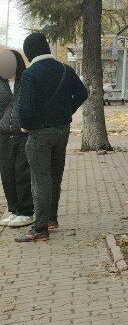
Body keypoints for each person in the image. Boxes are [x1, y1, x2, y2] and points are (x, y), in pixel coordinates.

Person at [15, 32, 88, 242]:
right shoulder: (65, 70)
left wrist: (25, 126)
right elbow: (82, 93)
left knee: (40, 179)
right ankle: (51, 219)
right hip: (62, 130)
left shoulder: (30, 74)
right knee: (55, 175)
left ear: (28, 52)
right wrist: (66, 112)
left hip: (39, 134)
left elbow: (26, 109)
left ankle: (39, 228)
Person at [0, 49, 33, 228]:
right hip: (4, 134)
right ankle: (14, 209)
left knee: (22, 173)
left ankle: (26, 212)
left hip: (23, 133)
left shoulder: (26, 81)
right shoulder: (1, 83)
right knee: (7, 173)